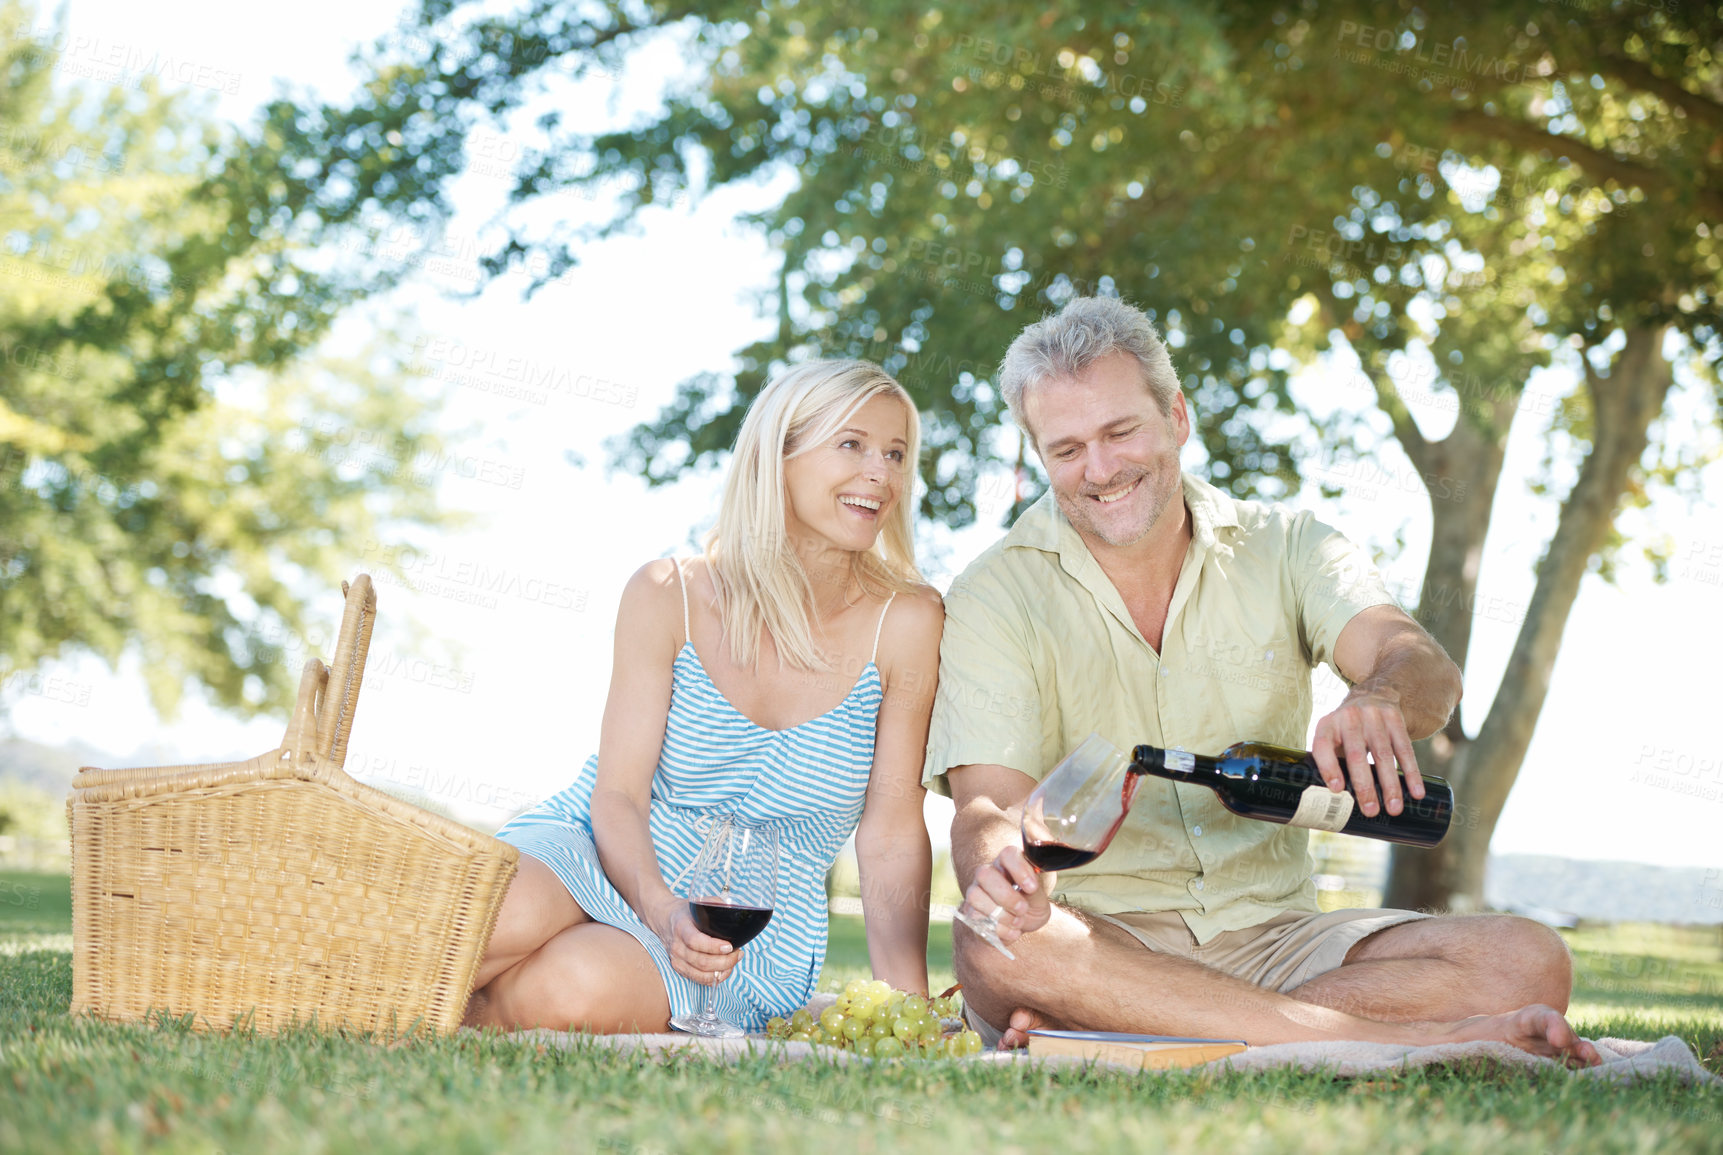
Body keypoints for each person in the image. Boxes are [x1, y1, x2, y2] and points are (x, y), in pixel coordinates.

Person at [928, 296, 1600, 1066]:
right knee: (994, 942)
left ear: (1176, 417)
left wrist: (1378, 694)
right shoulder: (993, 591)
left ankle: (1127, 1035)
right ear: (1037, 455)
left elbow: (1423, 667)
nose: (1100, 469)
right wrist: (996, 870)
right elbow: (987, 805)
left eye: (1120, 432)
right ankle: (1398, 1039)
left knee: (1527, 959)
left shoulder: (1289, 545)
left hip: (1283, 940)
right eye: (1067, 448)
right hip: (1098, 936)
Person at [465, 359, 943, 1034]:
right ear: (777, 457)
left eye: (895, 453)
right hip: (599, 845)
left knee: (568, 992)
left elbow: (891, 830)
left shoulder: (909, 620)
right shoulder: (668, 592)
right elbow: (618, 794)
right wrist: (661, 909)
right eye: (852, 444)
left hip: (747, 926)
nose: (881, 473)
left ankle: (443, 1013)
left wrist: (905, 1005)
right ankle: (335, 998)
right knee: (493, 917)